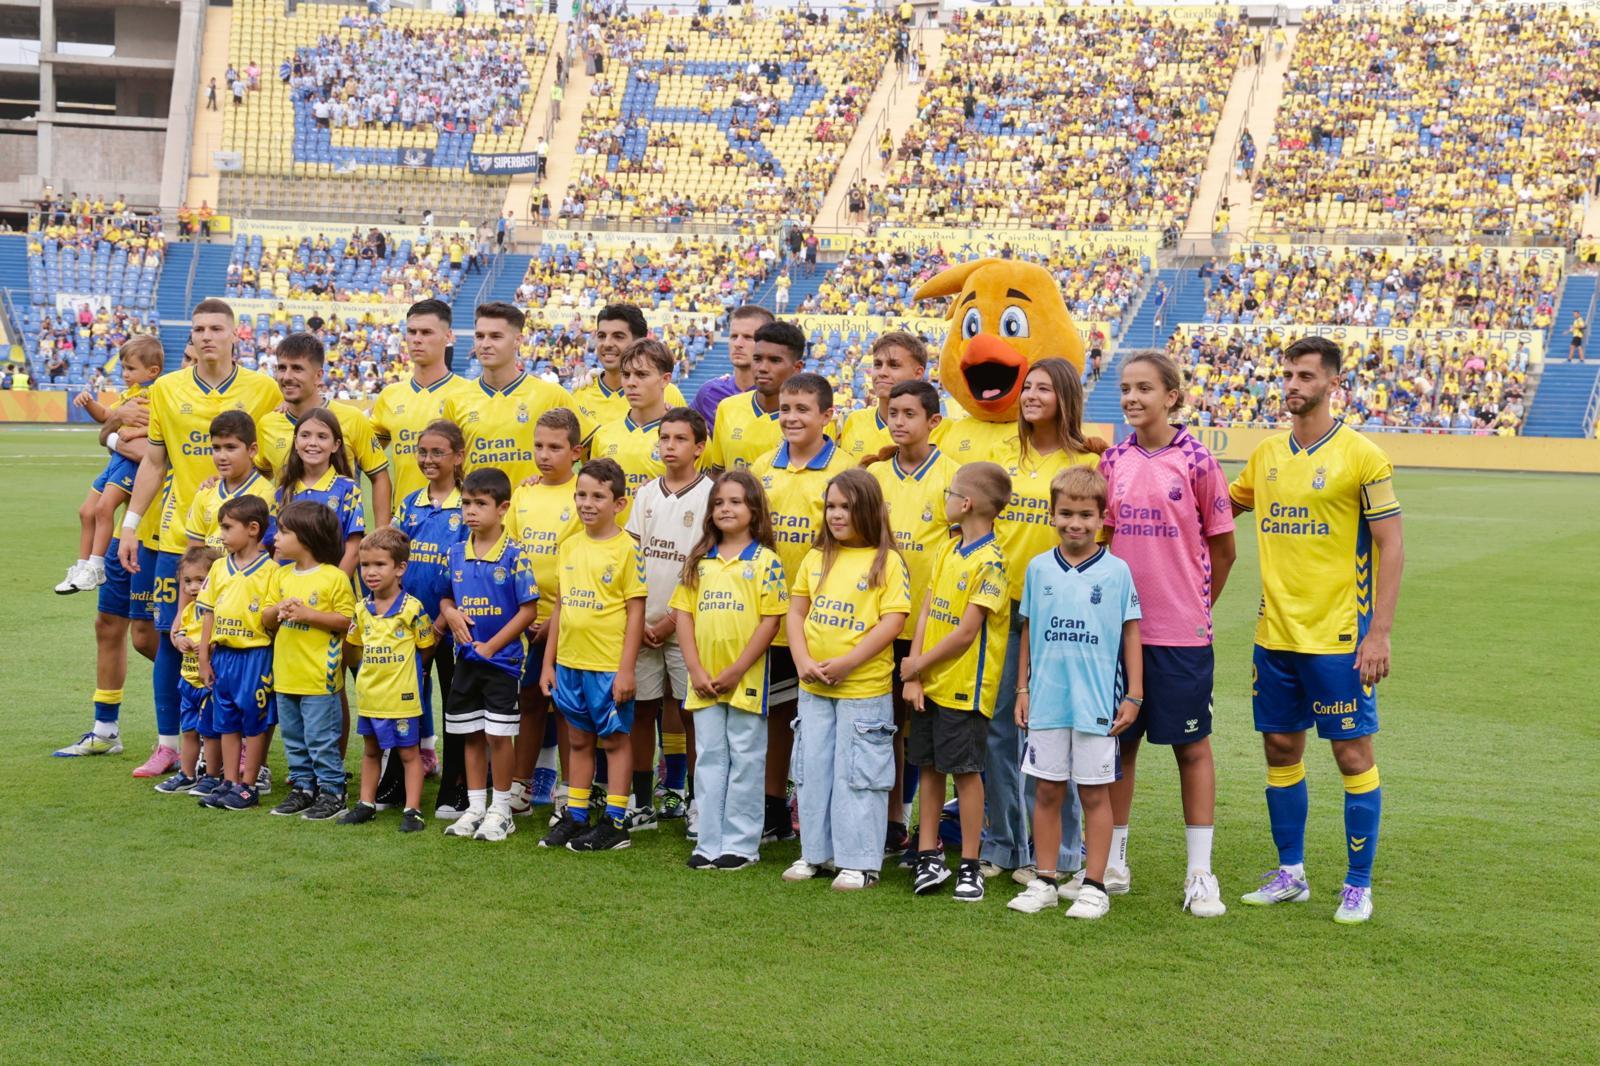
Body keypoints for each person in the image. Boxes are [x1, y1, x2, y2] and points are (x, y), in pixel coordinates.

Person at [1229, 336, 1404, 925]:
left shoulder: (1362, 457)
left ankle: (1358, 883)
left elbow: (1392, 545)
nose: (1293, 385)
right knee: (1280, 748)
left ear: (1333, 383)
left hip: (1338, 638)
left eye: (1305, 376)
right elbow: (1219, 508)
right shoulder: (1267, 454)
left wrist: (1377, 633)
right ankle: (1292, 874)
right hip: (1274, 634)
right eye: (1288, 374)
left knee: (1353, 754)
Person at [117, 299, 281, 781]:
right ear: (190, 339)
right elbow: (154, 460)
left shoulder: (262, 389)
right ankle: (170, 745)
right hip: (181, 540)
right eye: (198, 329)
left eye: (216, 328)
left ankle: (249, 756)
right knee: (175, 640)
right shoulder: (167, 389)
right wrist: (131, 524)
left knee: (246, 645)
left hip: (243, 548)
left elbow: (271, 459)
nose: (206, 336)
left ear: (236, 334)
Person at [1099, 352, 1236, 918]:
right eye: (1126, 389)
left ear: (1172, 396)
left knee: (1190, 747)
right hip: (1119, 634)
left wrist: (1196, 607)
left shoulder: (1199, 462)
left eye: (1145, 389)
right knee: (1119, 746)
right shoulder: (1113, 461)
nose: (1132, 399)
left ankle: (1200, 873)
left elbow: (1223, 549)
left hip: (1181, 634)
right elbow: (1102, 543)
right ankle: (1113, 859)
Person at [985, 358, 1105, 884]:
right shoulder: (1001, 455)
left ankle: (1062, 853)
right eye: (1026, 387)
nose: (1030, 395)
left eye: (1043, 388)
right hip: (997, 608)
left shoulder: (1088, 459)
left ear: (1066, 397)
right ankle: (1003, 846)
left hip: (1059, 617)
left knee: (1054, 732)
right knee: (996, 731)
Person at [1009, 466, 1143, 921]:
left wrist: (1135, 694)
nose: (1075, 523)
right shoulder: (1038, 567)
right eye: (1066, 513)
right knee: (1046, 790)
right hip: (1047, 700)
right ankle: (1045, 879)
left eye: (1086, 515)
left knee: (1093, 795)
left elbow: (1131, 634)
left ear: (1103, 517)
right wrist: (1022, 687)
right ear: (1052, 514)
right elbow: (1029, 628)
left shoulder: (1117, 571)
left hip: (1097, 704)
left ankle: (1094, 884)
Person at [783, 468, 911, 890]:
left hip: (863, 689)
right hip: (814, 687)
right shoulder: (816, 557)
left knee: (859, 774)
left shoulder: (887, 561)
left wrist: (848, 663)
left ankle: (859, 861)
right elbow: (797, 611)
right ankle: (814, 854)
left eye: (846, 507)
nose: (836, 515)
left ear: (869, 510)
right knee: (812, 768)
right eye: (831, 506)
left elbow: (892, 622)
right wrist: (802, 659)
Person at [900, 461, 1011, 902]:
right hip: (929, 681)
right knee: (927, 766)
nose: (944, 499)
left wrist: (918, 664)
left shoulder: (993, 563)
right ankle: (928, 854)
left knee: (964, 772)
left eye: (949, 493)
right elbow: (927, 609)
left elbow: (967, 633)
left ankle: (969, 863)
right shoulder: (949, 549)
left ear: (964, 503)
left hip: (965, 688)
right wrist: (916, 671)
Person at [749, 372, 853, 842]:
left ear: (827, 416)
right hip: (763, 614)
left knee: (815, 719)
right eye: (784, 410)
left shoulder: (847, 473)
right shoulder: (759, 468)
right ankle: (770, 804)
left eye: (802, 410)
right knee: (766, 716)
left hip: (821, 620)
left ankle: (811, 806)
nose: (790, 418)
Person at [672, 470, 788, 869]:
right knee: (709, 758)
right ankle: (708, 841)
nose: (726, 508)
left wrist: (738, 670)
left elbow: (770, 623)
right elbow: (683, 616)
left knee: (746, 757)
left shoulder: (767, 563)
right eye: (719, 503)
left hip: (746, 681)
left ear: (754, 509)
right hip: (702, 681)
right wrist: (695, 669)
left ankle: (741, 844)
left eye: (735, 502)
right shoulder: (699, 563)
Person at [866, 379, 957, 854]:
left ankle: (931, 826)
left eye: (908, 414)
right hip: (880, 620)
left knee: (924, 729)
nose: (897, 422)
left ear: (933, 422)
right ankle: (891, 819)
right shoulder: (876, 476)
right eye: (891, 413)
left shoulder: (953, 477)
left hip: (931, 626)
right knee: (886, 723)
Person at [539, 459, 648, 853]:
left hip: (607, 667)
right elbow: (560, 607)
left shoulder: (627, 549)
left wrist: (626, 670)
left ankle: (616, 822)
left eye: (598, 496)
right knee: (579, 740)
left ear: (619, 503)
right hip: (570, 663)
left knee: (615, 741)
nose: (588, 503)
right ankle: (577, 814)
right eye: (582, 494)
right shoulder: (569, 545)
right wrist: (549, 662)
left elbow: (636, 610)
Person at [435, 467, 540, 841]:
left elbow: (529, 609)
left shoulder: (514, 555)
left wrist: (492, 646)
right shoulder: (454, 552)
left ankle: (501, 808)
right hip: (466, 661)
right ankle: (475, 806)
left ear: (503, 508)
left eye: (481, 504)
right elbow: (446, 595)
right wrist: (449, 613)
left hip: (503, 662)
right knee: (471, 733)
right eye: (466, 503)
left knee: (499, 734)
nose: (471, 511)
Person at [623, 406, 711, 829]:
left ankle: (698, 801)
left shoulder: (711, 494)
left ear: (699, 446)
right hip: (643, 625)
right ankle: (642, 802)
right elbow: (632, 560)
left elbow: (705, 567)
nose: (669, 446)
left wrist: (672, 622)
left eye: (679, 439)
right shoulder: (645, 495)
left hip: (687, 626)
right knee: (641, 711)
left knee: (691, 712)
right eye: (664, 438)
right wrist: (639, 621)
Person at [508, 409, 585, 818]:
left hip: (565, 619)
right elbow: (513, 553)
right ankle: (520, 786)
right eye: (538, 446)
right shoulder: (524, 494)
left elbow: (582, 565)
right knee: (528, 700)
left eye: (554, 447)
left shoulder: (581, 496)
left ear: (575, 451)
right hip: (523, 617)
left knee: (567, 705)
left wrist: (553, 618)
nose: (544, 454)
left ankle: (570, 793)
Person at [263, 500, 358, 821]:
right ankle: (303, 788)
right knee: (293, 737)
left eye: (283, 531)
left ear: (306, 537)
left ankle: (332, 792)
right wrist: (278, 611)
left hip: (320, 677)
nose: (275, 536)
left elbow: (348, 621)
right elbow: (264, 618)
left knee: (320, 738)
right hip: (286, 675)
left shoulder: (333, 578)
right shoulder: (280, 575)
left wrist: (309, 614)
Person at [340, 526, 437, 832]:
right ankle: (366, 804)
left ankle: (413, 810)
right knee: (370, 751)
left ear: (400, 568)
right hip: (370, 695)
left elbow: (426, 647)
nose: (370, 572)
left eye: (379, 564)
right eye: (365, 565)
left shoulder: (412, 609)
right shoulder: (361, 610)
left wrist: (413, 675)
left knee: (409, 753)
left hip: (403, 698)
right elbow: (354, 648)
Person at [393, 419, 468, 797]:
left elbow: (468, 571)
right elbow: (393, 557)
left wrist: (440, 622)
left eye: (437, 452)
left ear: (458, 456)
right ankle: (400, 773)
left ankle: (457, 782)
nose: (428, 459)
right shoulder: (409, 504)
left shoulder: (468, 505)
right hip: (410, 625)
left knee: (454, 702)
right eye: (422, 452)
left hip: (452, 626)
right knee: (406, 698)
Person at [55, 337, 164, 595]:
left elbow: (159, 428)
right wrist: (89, 402)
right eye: (123, 368)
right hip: (116, 458)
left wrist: (137, 433)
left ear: (152, 372)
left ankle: (97, 566)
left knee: (104, 509)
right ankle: (82, 566)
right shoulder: (129, 395)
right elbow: (107, 417)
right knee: (86, 511)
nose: (125, 374)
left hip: (132, 462)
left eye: (131, 369)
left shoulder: (156, 394)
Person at [444, 302, 592, 486]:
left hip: (535, 513)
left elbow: (592, 449)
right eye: (480, 336)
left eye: (496, 336)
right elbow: (447, 467)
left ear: (518, 340)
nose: (485, 344)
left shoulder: (552, 395)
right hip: (477, 513)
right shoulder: (456, 400)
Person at [195, 495, 278, 810]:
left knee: (253, 720)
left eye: (228, 528)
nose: (222, 535)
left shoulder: (271, 571)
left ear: (253, 529)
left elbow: (271, 620)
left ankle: (249, 785)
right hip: (223, 656)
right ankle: (229, 781)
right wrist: (204, 657)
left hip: (255, 656)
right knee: (226, 719)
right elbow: (208, 614)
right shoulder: (218, 567)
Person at [260, 332, 391, 523]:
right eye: (281, 368)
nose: (286, 376)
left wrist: (381, 533)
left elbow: (379, 477)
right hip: (288, 542)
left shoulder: (352, 418)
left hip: (343, 542)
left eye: (297, 368)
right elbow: (255, 475)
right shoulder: (267, 424)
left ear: (318, 376)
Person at [371, 300, 477, 513]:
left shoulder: (471, 394)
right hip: (404, 520)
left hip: (457, 522)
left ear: (448, 337)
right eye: (412, 332)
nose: (417, 340)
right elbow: (360, 449)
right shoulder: (390, 396)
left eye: (426, 332)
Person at [151, 546, 221, 795]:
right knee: (189, 730)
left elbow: (220, 641)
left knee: (211, 734)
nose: (193, 587)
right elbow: (180, 632)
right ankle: (187, 774)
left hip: (209, 684)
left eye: (200, 580)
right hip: (188, 682)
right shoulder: (190, 610)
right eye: (187, 581)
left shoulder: (217, 611)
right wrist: (180, 639)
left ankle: (212, 776)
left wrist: (205, 647)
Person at [588, 337, 679, 523]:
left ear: (665, 380)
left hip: (663, 548)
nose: (631, 382)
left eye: (642, 375)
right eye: (626, 374)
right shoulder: (603, 435)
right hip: (611, 548)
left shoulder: (686, 438)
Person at [705, 319, 805, 473]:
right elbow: (718, 473)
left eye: (774, 360)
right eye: (757, 359)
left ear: (797, 367)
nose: (763, 368)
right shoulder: (727, 407)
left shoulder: (815, 420)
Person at [276, 408, 365, 576]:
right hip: (289, 590)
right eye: (305, 435)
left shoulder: (348, 489)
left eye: (322, 437)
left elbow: (353, 549)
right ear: (295, 442)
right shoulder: (284, 492)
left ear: (335, 445)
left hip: (332, 593)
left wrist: (332, 587)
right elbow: (277, 549)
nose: (312, 443)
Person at [572, 304, 688, 427]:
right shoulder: (580, 393)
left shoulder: (667, 393)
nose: (607, 344)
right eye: (601, 336)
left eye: (618, 336)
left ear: (639, 342)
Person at [183, 411, 278, 550]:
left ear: (252, 450)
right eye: (216, 448)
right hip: (207, 571)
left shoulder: (267, 494)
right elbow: (194, 552)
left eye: (230, 448)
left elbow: (265, 551)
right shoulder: (206, 492)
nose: (222, 456)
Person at [839, 332, 930, 463]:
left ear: (918, 373)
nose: (882, 372)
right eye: (877, 364)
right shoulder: (854, 421)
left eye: (894, 365)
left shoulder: (939, 430)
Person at [691, 305, 773, 430]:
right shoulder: (710, 393)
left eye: (748, 337)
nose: (738, 344)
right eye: (734, 337)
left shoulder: (780, 397)